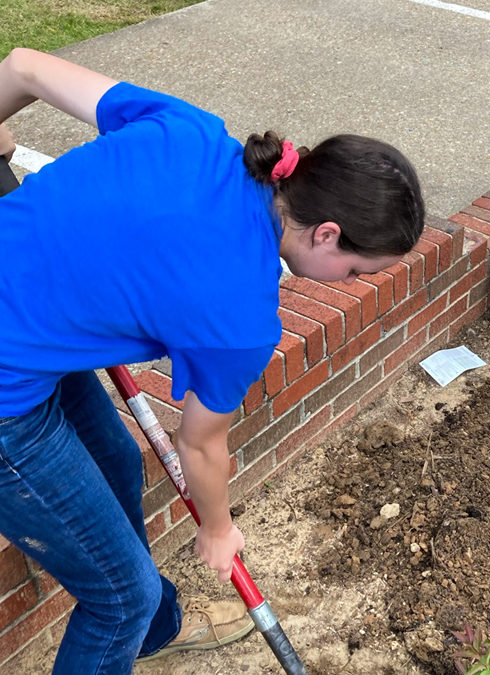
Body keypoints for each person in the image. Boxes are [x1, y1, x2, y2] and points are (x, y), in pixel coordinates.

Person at [0, 47, 425, 672]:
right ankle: (136, 618)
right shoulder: (240, 317)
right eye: (357, 269)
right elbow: (199, 446)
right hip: (8, 393)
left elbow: (22, 68)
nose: (348, 282)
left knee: (118, 457)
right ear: (327, 233)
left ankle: (156, 629)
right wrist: (218, 531)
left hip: (31, 338)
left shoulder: (191, 129)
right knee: (120, 596)